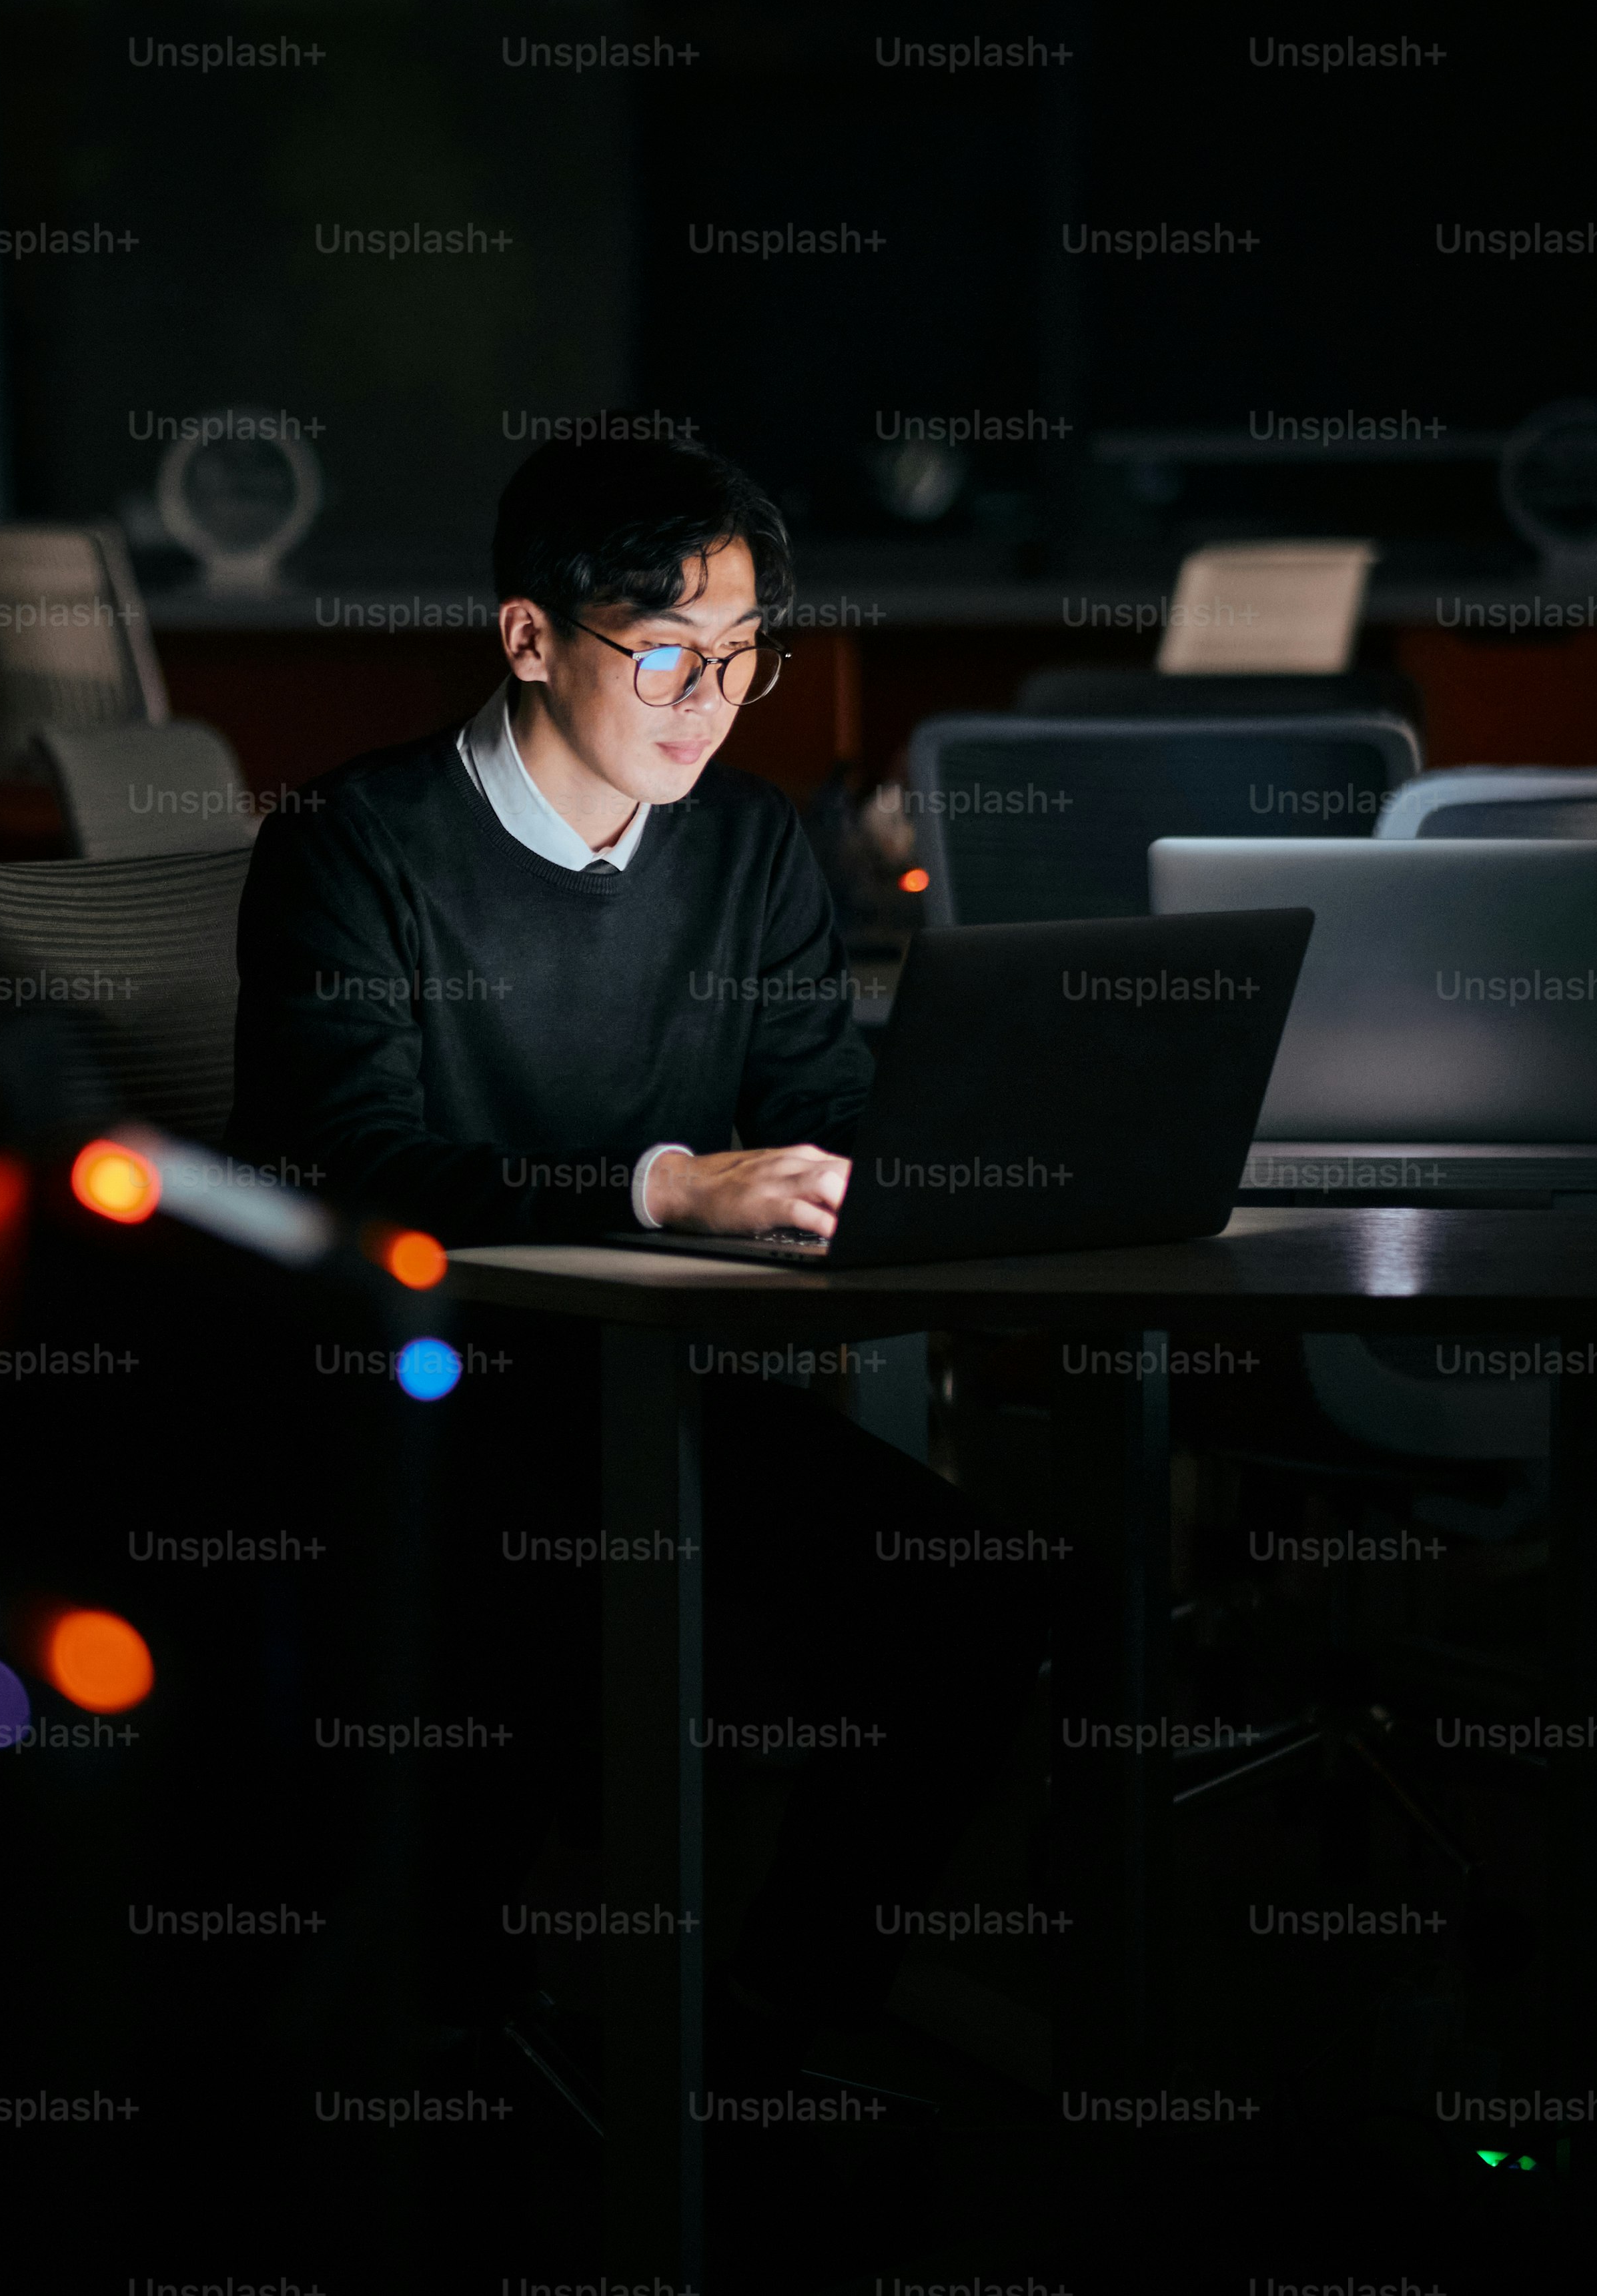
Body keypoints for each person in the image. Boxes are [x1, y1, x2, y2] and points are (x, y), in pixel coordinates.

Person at [231, 432, 1045, 2087]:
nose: (710, 697)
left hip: (659, 1403)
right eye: (665, 650)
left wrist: (909, 1176)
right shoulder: (353, 842)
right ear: (531, 638)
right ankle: (444, 2039)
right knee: (526, 1634)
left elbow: (816, 1107)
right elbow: (359, 1165)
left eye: (742, 656)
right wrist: (666, 1189)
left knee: (987, 1606)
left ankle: (775, 2022)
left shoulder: (745, 848)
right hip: (417, 1417)